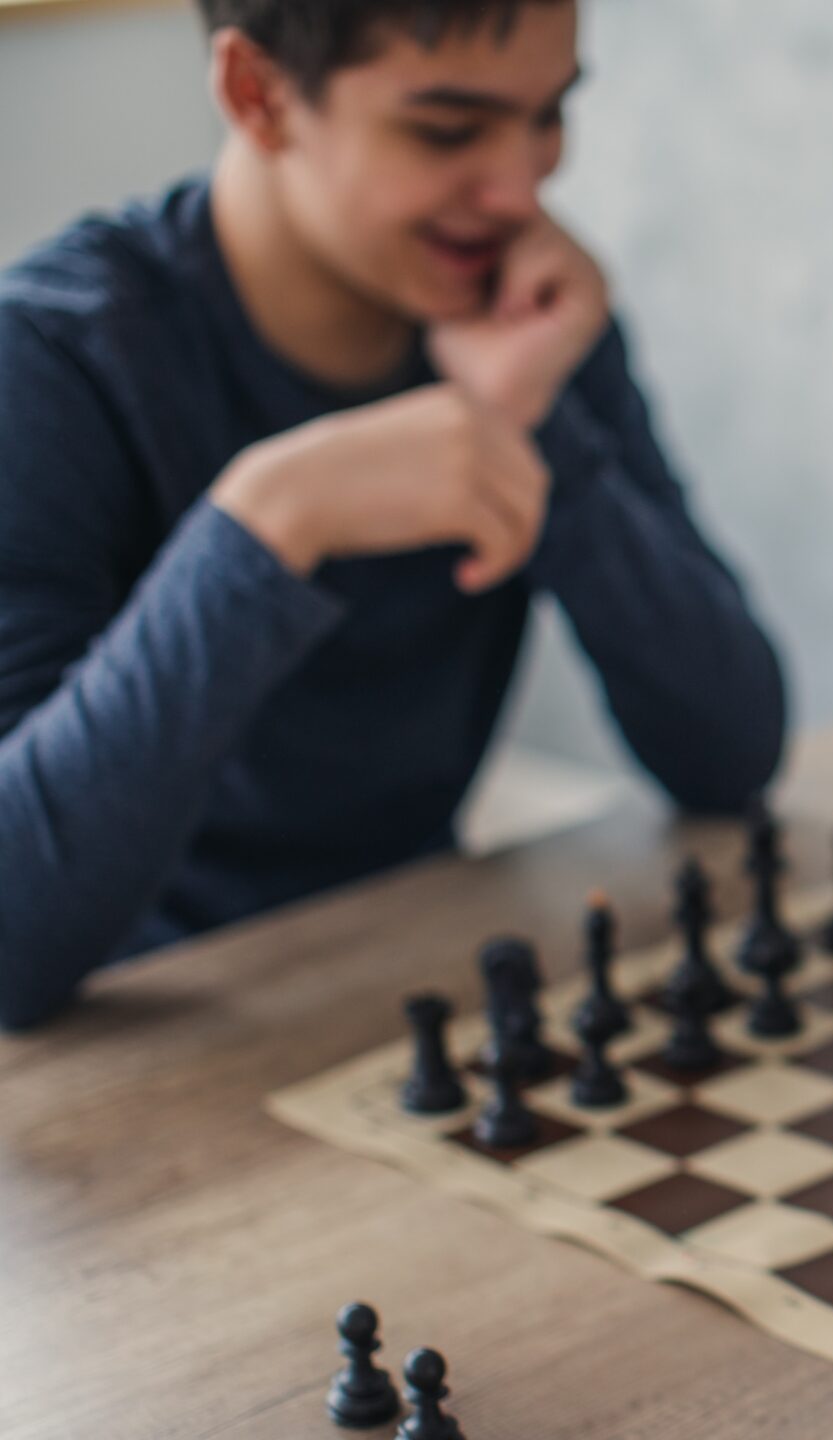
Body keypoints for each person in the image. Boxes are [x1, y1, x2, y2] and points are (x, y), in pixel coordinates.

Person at [0, 0, 786, 1029]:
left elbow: (730, 751)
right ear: (258, 93)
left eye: (549, 114)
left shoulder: (523, 309)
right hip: (138, 1048)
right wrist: (267, 528)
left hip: (413, 988)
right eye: (448, 130)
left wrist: (529, 421)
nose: (523, 186)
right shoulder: (50, 364)